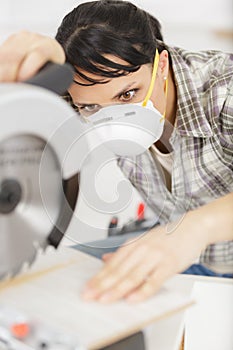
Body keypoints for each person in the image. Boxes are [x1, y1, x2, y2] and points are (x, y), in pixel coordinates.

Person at [0, 0, 232, 302]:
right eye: (91, 107)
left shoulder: (223, 89)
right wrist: (37, 63)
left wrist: (193, 230)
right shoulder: (82, 95)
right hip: (181, 256)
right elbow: (22, 110)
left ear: (161, 65)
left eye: (127, 94)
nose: (113, 116)